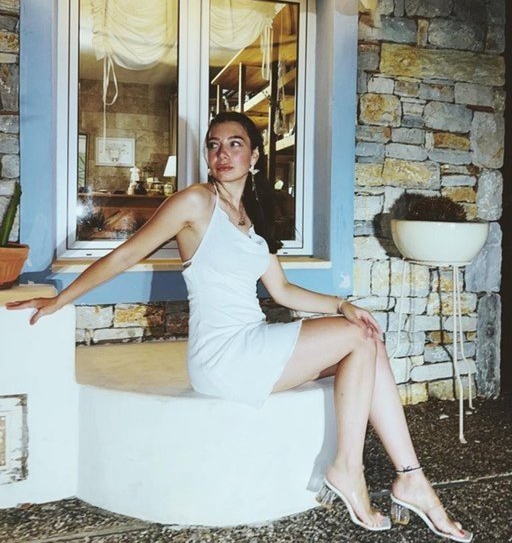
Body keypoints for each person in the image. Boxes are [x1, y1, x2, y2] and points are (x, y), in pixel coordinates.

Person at [7, 112, 472, 541]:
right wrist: (59, 300)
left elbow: (282, 292)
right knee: (359, 338)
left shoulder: (251, 218)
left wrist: (342, 304)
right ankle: (349, 469)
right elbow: (126, 254)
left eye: (234, 144)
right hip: (224, 356)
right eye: (214, 145)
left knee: (368, 340)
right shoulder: (195, 202)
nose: (222, 153)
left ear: (254, 156)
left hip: (252, 341)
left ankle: (411, 478)